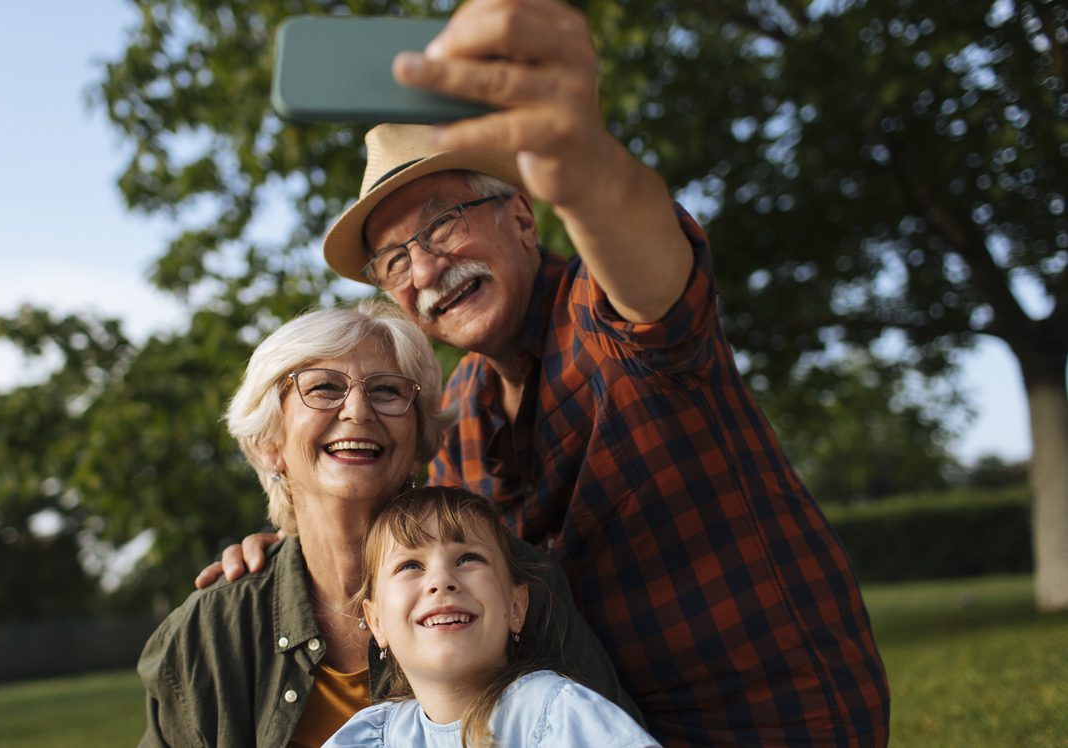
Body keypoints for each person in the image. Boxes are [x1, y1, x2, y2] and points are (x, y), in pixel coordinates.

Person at [201, 0, 890, 744]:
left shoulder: (609, 315)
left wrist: (583, 160)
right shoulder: (457, 410)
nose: (427, 268)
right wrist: (298, 537)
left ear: (524, 219)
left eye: (443, 222)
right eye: (396, 259)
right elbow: (403, 522)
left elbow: (645, 248)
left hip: (776, 725)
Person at [138, 301, 636, 747]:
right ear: (270, 441)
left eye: (386, 391)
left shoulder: (516, 582)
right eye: (324, 388)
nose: (357, 411)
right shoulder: (209, 631)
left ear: (420, 440)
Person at [324, 486, 661, 748]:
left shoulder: (554, 714)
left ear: (516, 608)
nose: (442, 580)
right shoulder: (373, 736)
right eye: (410, 565)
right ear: (377, 622)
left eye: (468, 559)